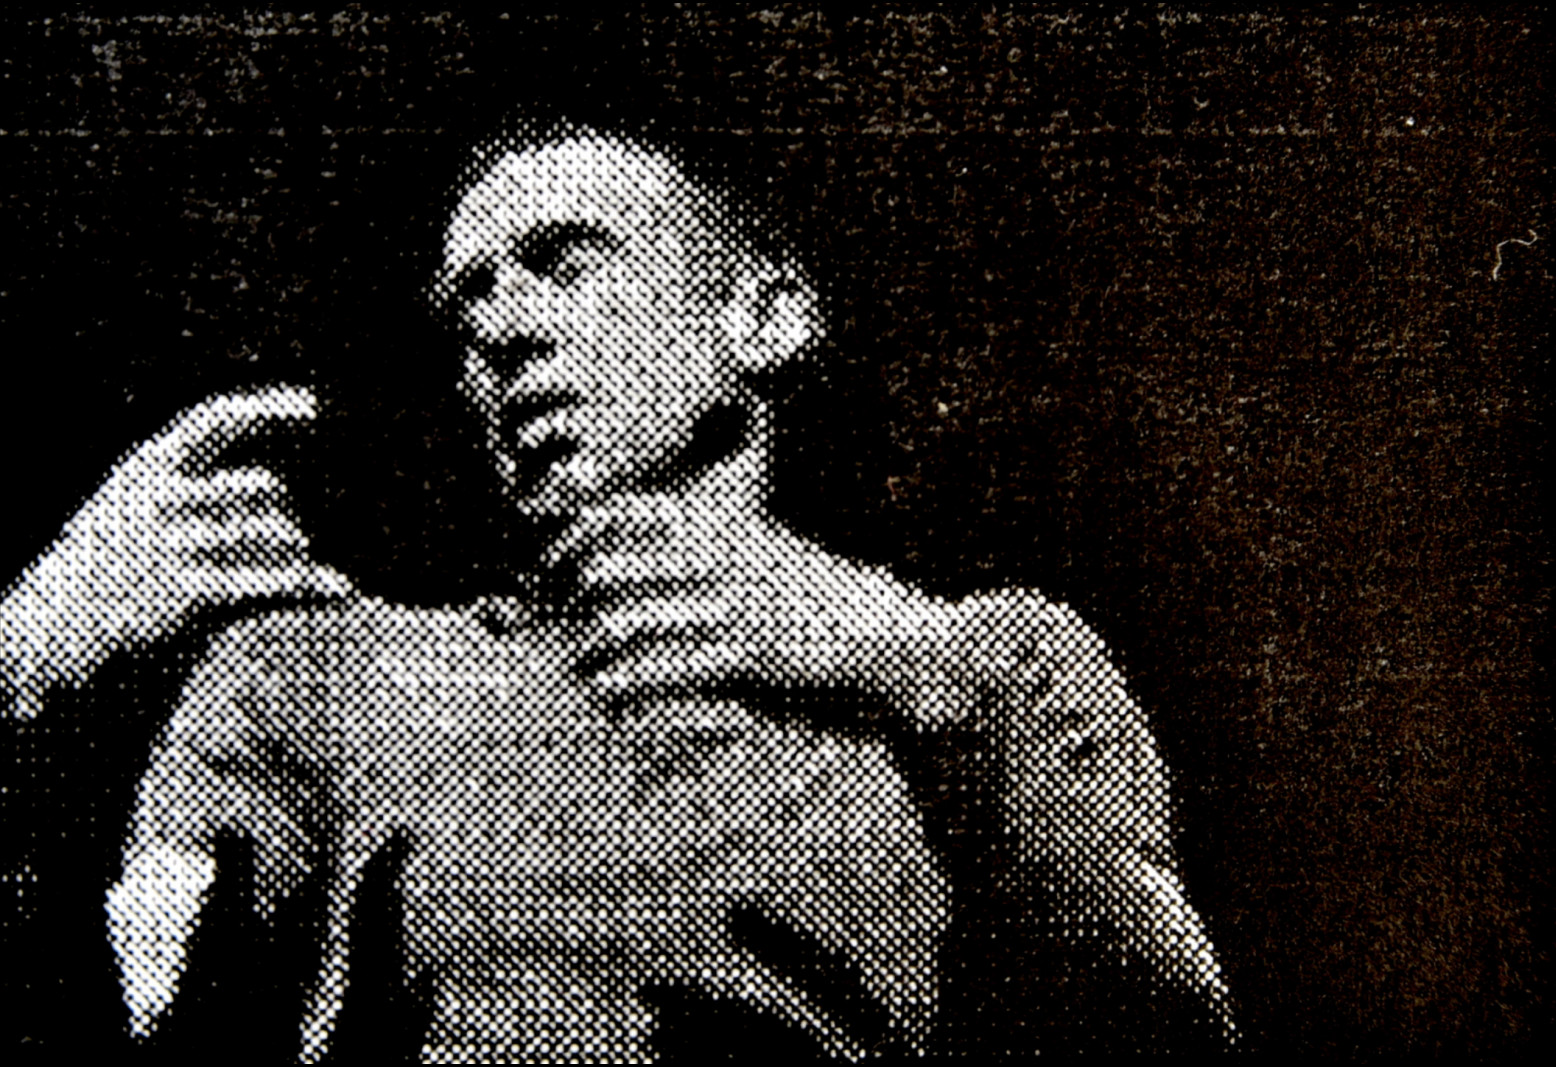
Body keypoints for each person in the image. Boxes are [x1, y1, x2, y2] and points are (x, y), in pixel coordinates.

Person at [3, 118, 1232, 1060]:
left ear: (764, 316)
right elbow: (127, 1022)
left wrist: (934, 683)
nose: (502, 326)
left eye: (564, 261)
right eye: (469, 301)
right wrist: (15, 672)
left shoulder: (988, 663)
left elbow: (1163, 1039)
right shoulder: (318, 671)